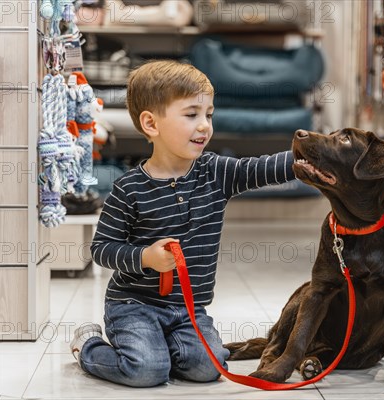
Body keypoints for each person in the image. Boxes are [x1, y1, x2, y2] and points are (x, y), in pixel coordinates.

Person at [70, 60, 295, 387]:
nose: (204, 125)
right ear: (151, 123)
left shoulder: (215, 172)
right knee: (146, 371)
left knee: (208, 368)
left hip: (188, 310)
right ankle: (88, 345)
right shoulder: (129, 188)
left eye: (209, 114)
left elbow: (259, 168)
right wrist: (145, 257)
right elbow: (101, 249)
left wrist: (309, 155)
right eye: (191, 115)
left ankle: (163, 349)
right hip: (133, 305)